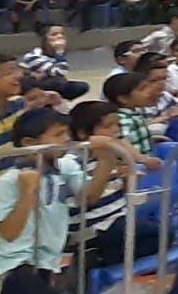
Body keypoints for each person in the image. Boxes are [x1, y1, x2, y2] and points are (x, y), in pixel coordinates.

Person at [0, 109, 111, 294]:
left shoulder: (65, 167)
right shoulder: (8, 180)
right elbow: (8, 234)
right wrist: (28, 193)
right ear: (29, 143)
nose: (67, 139)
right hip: (14, 265)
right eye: (58, 134)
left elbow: (90, 197)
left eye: (67, 132)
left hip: (48, 261)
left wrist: (106, 159)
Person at [67, 101, 163, 266]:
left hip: (117, 218)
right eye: (108, 126)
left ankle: (100, 256)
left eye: (117, 125)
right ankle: (97, 258)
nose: (116, 130)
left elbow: (118, 195)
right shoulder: (73, 161)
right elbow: (90, 198)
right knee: (162, 234)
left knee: (161, 230)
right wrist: (106, 162)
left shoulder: (111, 155)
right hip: (94, 227)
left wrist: (128, 180)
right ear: (83, 133)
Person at [18, 25, 89, 101]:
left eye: (62, 34)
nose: (60, 36)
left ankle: (54, 99)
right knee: (58, 82)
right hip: (31, 85)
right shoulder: (34, 55)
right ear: (45, 39)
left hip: (50, 83)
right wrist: (60, 52)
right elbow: (59, 72)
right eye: (54, 34)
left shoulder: (54, 55)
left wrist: (48, 73)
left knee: (81, 86)